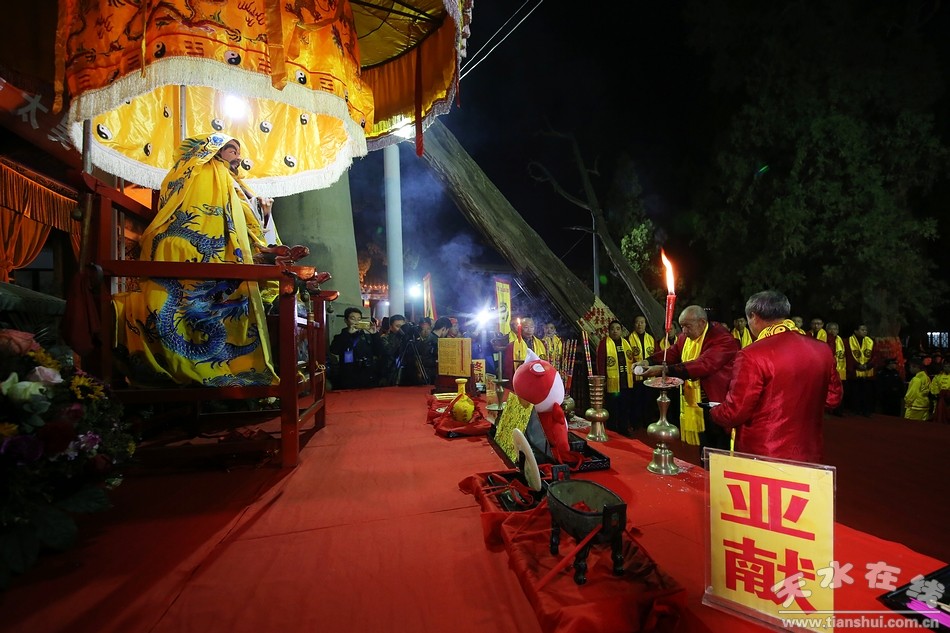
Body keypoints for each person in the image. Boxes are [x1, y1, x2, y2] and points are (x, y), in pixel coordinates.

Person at [113, 133, 279, 387]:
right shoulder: (200, 173)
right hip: (196, 251)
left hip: (230, 258)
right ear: (214, 150)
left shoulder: (239, 186)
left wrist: (265, 213)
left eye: (238, 151)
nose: (238, 156)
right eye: (232, 150)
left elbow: (254, 228)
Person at [710, 291, 843, 463]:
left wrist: (714, 412)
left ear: (753, 316)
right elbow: (832, 399)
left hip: (764, 453)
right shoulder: (822, 349)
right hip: (809, 452)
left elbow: (735, 412)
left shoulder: (752, 354)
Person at [640, 305, 738, 453]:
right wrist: (649, 361)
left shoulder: (722, 338)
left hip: (716, 399)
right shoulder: (685, 336)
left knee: (718, 444)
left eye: (687, 326)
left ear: (702, 322)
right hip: (695, 399)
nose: (684, 331)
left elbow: (703, 365)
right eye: (682, 327)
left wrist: (664, 370)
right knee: (704, 445)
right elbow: (673, 352)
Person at [596, 319, 636, 435]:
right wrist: (602, 379)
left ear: (621, 331)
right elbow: (600, 362)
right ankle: (612, 429)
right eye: (612, 329)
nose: (615, 331)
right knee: (613, 407)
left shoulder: (626, 343)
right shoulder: (604, 343)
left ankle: (624, 428)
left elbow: (632, 360)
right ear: (608, 331)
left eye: (618, 329)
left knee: (625, 406)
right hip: (612, 382)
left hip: (626, 381)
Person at [328, 307, 378, 389]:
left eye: (359, 319)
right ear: (346, 321)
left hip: (367, 376)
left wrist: (374, 334)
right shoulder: (340, 337)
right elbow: (334, 350)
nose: (356, 322)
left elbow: (379, 352)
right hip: (348, 377)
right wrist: (348, 334)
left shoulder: (367, 337)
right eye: (353, 319)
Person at [627, 315, 657, 429]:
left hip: (649, 376)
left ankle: (647, 421)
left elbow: (655, 356)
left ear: (645, 324)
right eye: (637, 322)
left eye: (642, 322)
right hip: (636, 376)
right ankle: (635, 423)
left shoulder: (651, 339)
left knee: (648, 400)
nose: (639, 325)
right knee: (636, 400)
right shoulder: (629, 339)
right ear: (634, 324)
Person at [848, 324, 875, 417]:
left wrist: (868, 365)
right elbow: (848, 355)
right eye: (862, 330)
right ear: (855, 331)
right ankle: (856, 410)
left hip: (867, 371)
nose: (865, 331)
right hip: (855, 371)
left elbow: (875, 355)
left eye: (866, 330)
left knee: (867, 392)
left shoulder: (870, 341)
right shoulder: (849, 341)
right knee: (855, 392)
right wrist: (857, 365)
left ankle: (866, 410)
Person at [825, 322, 847, 416]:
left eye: (835, 329)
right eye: (830, 329)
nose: (832, 331)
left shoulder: (841, 341)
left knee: (839, 390)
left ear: (838, 331)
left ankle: (839, 410)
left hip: (840, 368)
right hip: (829, 369)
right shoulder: (825, 339)